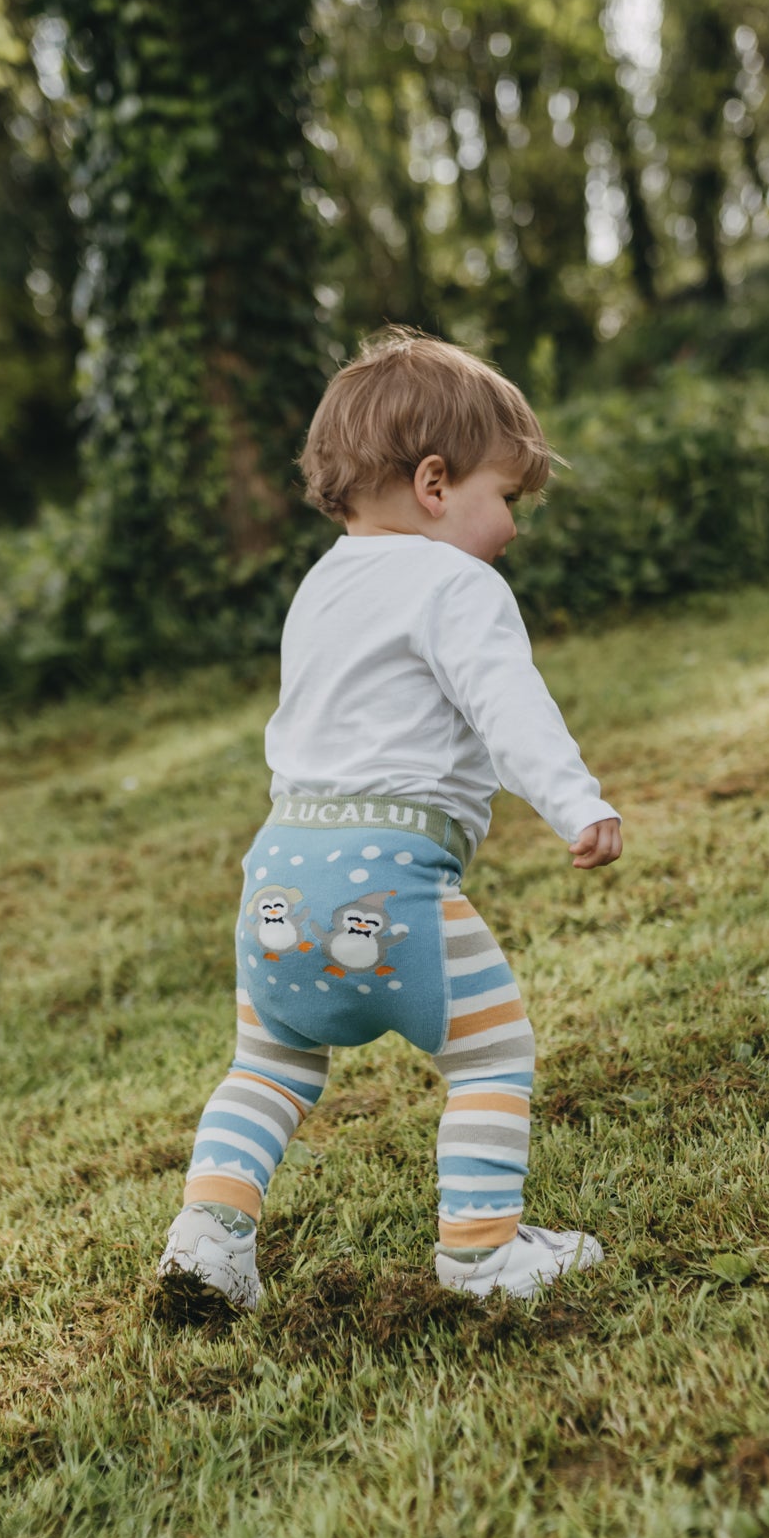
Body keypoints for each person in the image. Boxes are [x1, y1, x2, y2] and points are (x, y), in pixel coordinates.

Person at [158, 328, 622, 1309]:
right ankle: (482, 1251)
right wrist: (576, 800)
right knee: (491, 1052)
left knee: (267, 1066)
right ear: (433, 484)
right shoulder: (456, 583)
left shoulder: (320, 586)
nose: (512, 527)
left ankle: (208, 1236)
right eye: (507, 498)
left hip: (276, 878)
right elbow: (508, 709)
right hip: (390, 883)